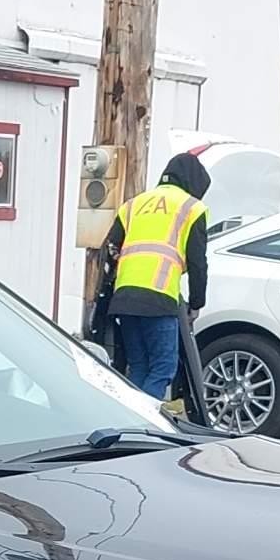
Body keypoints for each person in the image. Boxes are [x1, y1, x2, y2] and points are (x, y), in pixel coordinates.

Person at [88, 151, 213, 409]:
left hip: (124, 297)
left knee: (139, 366)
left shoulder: (133, 204)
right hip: (159, 297)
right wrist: (197, 303)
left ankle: (126, 419)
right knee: (163, 368)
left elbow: (111, 248)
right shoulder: (192, 208)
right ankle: (144, 420)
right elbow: (198, 262)